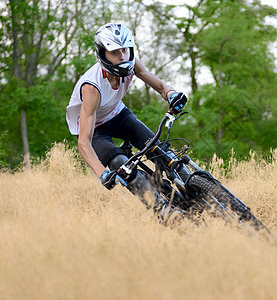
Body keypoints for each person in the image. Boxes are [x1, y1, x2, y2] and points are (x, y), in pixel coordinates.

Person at [66, 23, 188, 220]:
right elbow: (83, 142)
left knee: (159, 149)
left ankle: (198, 186)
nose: (122, 56)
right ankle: (164, 213)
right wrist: (101, 174)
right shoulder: (92, 87)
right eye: (114, 52)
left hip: (118, 114)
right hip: (96, 129)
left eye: (125, 49)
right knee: (121, 164)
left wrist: (170, 93)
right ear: (103, 53)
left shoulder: (129, 63)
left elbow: (149, 77)